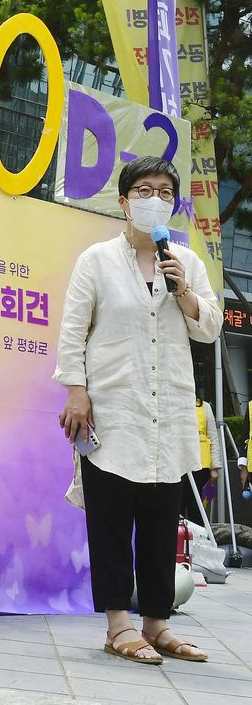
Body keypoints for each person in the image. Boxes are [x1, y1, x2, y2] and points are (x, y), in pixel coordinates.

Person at [55, 156, 223, 665]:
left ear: (173, 205)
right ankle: (118, 625)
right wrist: (76, 392)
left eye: (166, 192)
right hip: (113, 410)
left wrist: (185, 293)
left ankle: (157, 623)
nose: (156, 198)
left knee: (159, 522)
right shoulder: (97, 259)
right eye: (145, 190)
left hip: (167, 413)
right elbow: (72, 332)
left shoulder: (186, 262)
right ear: (125, 202)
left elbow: (210, 327)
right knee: (110, 520)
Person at [181, 396, 221, 522]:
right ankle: (178, 540)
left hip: (201, 465)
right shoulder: (173, 403)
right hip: (179, 463)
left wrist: (214, 468)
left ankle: (199, 539)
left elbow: (213, 438)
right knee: (178, 507)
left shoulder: (205, 406)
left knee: (197, 508)